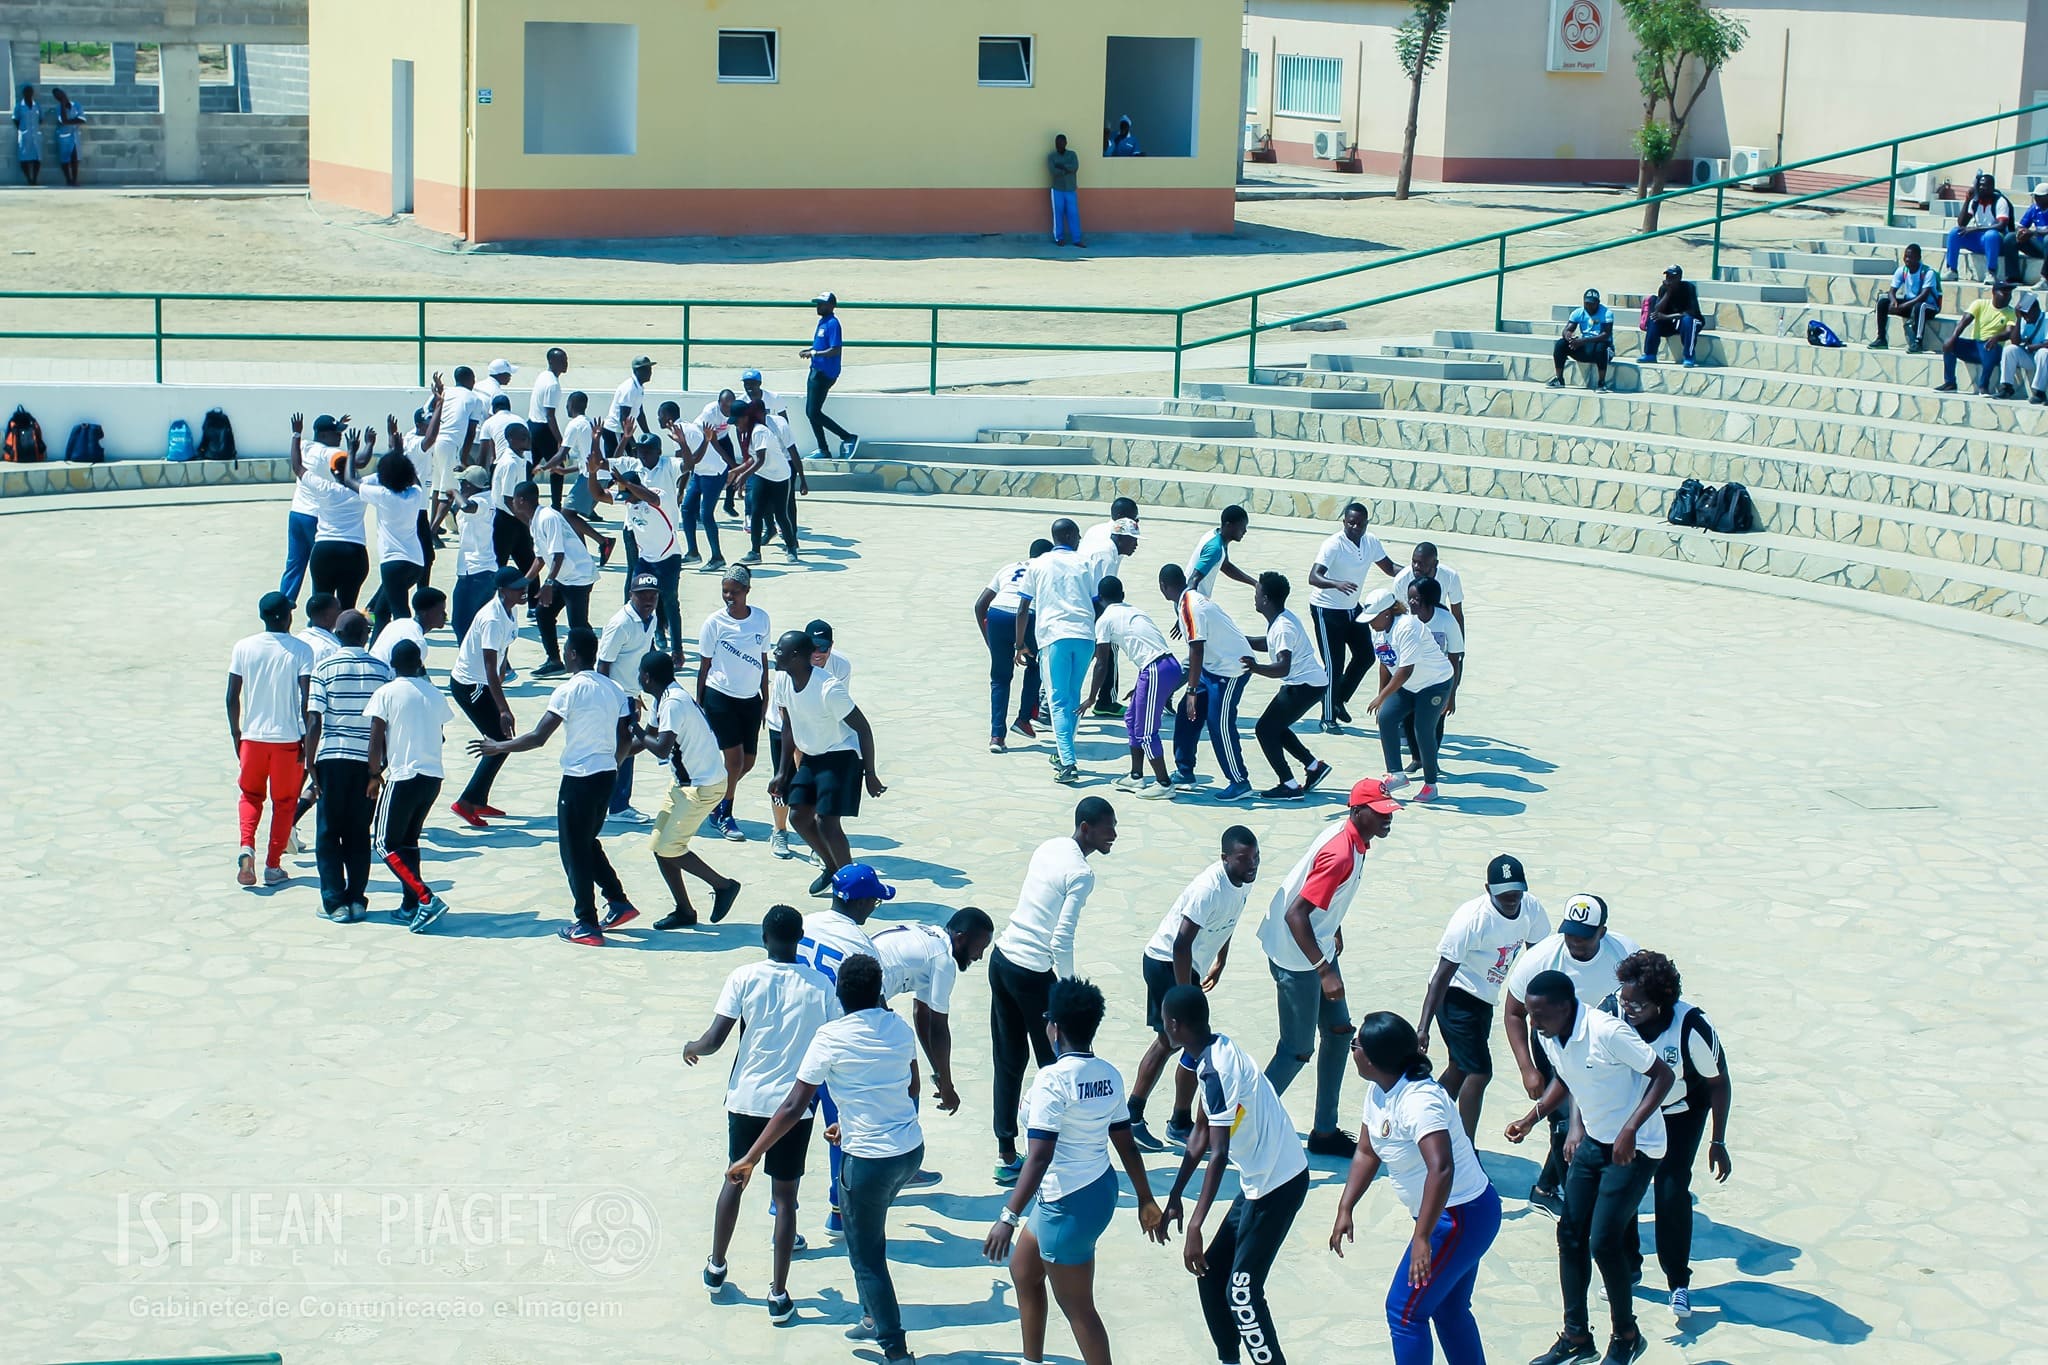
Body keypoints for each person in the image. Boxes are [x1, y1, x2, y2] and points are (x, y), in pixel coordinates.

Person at [730, 953, 922, 1364]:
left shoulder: (831, 1037)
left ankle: (895, 1348)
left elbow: (792, 1106)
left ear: (839, 994)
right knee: (869, 1235)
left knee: (867, 1253)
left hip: (870, 1161)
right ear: (880, 992)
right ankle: (871, 1315)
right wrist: (849, 1123)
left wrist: (750, 1156)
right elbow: (907, 1086)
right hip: (909, 1152)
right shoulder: (900, 1027)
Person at [983, 978, 1160, 1365]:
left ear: (1054, 1027)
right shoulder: (1109, 1074)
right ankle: (1033, 1362)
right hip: (1096, 1189)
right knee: (1024, 1271)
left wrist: (1007, 1217)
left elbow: (1040, 1156)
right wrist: (1145, 1198)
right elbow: (1125, 1142)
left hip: (1067, 1204)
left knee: (1080, 1310)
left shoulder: (1052, 1080)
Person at [1506, 971, 1673, 1365]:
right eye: (1529, 1013)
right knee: (1570, 1234)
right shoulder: (1550, 1034)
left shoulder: (1608, 1031)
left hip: (1637, 1148)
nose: (1532, 1022)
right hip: (1596, 1143)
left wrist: (1630, 1129)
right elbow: (1568, 1076)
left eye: (1538, 1014)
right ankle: (1577, 1337)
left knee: (1604, 1241)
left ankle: (1627, 1335)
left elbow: (1662, 1076)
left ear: (1565, 1007)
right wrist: (1533, 1117)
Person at [687, 904, 834, 1324]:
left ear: (764, 938)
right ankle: (779, 1294)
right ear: (800, 937)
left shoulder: (744, 976)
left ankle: (716, 1267)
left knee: (735, 1178)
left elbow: (714, 1041)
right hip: (796, 1108)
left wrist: (690, 1048)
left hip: (747, 1100)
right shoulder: (820, 984)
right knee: (785, 1199)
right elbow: (834, 1041)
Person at [1328, 1012, 1502, 1365]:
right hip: (1453, 1216)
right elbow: (1366, 1150)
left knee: (1404, 1313)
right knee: (1449, 1309)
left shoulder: (1419, 1101)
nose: (1352, 1050)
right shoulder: (1379, 1089)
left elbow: (1442, 1168)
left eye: (1355, 1045)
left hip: (1458, 1217)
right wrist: (1346, 1207)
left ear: (1375, 1059)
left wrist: (1422, 1237)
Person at [1153, 983, 1310, 1365]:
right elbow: (1199, 1138)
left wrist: (1195, 1226)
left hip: (1279, 1184)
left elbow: (1219, 1153)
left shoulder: (1216, 1073)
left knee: (1242, 1293)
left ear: (1174, 1025)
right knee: (1211, 1275)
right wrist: (1175, 1197)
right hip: (1260, 1183)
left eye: (1163, 1023)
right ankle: (1230, 1360)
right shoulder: (1211, 1052)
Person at [1257, 777, 1401, 1157]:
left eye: (1390, 812)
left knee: (1339, 1033)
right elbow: (1295, 914)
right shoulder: (1341, 853)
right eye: (1382, 813)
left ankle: (1324, 1131)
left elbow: (1318, 898)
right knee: (1296, 1050)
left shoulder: (1355, 839)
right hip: (1298, 957)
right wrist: (1324, 969)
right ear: (1357, 812)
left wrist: (1332, 927)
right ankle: (1244, 1125)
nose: (1389, 819)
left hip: (1315, 944)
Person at [470, 626, 639, 945]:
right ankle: (617, 901)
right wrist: (614, 764)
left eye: (565, 648)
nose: (563, 652)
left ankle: (586, 923)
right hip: (605, 776)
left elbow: (538, 737)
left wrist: (498, 747)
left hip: (579, 779)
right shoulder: (614, 689)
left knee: (573, 850)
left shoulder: (568, 690)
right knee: (587, 841)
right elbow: (626, 737)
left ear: (573, 653)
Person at [989, 798, 1117, 1185]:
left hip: (1002, 960)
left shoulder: (1050, 846)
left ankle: (1006, 1152)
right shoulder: (1081, 873)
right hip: (1033, 973)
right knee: (1057, 1067)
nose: (1113, 835)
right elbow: (1061, 937)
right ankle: (1054, 1151)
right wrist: (1067, 988)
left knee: (1008, 1061)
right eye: (1107, 827)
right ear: (1085, 828)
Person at [1502, 894, 1641, 1219]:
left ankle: (1544, 1188)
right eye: (1570, 932)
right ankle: (1570, 1206)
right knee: (1566, 1124)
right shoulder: (1541, 959)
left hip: (1600, 1044)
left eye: (1585, 934)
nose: (1575, 941)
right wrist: (1527, 1068)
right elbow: (1513, 1013)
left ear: (1602, 932)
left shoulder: (1624, 953)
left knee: (1595, 1119)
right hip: (1552, 1043)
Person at [1610, 950, 1731, 1323]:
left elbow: (1718, 1083)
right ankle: (1628, 1266)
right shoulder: (1610, 1013)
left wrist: (1718, 1141)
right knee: (1625, 1186)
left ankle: (1678, 1282)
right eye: (1624, 999)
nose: (1628, 1008)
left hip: (1682, 1112)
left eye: (1638, 1004)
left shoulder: (1691, 1027)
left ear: (1663, 1002)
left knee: (1671, 1190)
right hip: (1630, 1110)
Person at [1127, 827, 1258, 1150]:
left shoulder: (1244, 880)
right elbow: (1181, 944)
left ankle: (1179, 1122)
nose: (1252, 864)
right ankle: (1134, 1117)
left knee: (1189, 1044)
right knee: (1169, 1042)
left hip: (1190, 966)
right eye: (1244, 859)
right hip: (1165, 963)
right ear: (1225, 858)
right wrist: (1184, 996)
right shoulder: (1208, 889)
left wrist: (1220, 960)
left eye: (1256, 857)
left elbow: (1230, 921)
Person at [791, 863, 898, 1235]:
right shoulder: (860, 944)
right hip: (836, 1047)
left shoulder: (806, 921)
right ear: (863, 901)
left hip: (794, 1041)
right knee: (844, 1130)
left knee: (791, 1127)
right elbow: (875, 1002)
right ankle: (838, 1212)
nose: (874, 908)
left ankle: (781, 1209)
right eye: (874, 901)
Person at [1415, 854, 1550, 1139]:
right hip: (1454, 994)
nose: (1512, 899)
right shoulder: (1471, 919)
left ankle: (1421, 1119)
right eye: (1504, 894)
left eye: (1516, 892)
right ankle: (1465, 1149)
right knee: (1479, 1072)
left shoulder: (1532, 909)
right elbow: (1441, 975)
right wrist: (1423, 1028)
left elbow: (1539, 959)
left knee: (1460, 1068)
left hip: (1484, 998)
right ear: (1488, 890)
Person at [629, 652, 744, 930]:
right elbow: (646, 740)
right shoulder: (663, 697)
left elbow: (660, 747)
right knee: (660, 847)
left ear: (646, 677)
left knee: (670, 848)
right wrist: (614, 758)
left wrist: (632, 725)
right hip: (684, 784)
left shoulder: (674, 703)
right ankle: (684, 910)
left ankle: (724, 886)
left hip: (702, 787)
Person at [767, 629, 886, 897]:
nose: (774, 654)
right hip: (812, 755)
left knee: (826, 822)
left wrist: (870, 773)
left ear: (796, 656)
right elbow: (788, 727)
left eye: (779, 651)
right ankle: (833, 868)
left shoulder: (828, 688)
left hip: (841, 754)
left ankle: (854, 887)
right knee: (798, 815)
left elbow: (863, 729)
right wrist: (782, 773)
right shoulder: (783, 680)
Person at [305, 611, 394, 924]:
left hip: (331, 758)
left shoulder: (323, 668)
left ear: (337, 633)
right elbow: (387, 722)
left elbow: (314, 719)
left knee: (328, 833)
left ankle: (334, 902)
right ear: (365, 635)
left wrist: (309, 763)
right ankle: (357, 899)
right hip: (366, 763)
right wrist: (380, 767)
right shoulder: (383, 670)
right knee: (358, 833)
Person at [870, 907, 996, 1117]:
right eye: (979, 947)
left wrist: (939, 1073)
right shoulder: (943, 960)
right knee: (908, 1082)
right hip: (868, 992)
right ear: (961, 939)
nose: (980, 956)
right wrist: (947, 1087)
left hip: (859, 983)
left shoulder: (931, 939)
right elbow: (938, 1028)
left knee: (902, 1063)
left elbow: (921, 1013)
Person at [363, 638, 452, 931]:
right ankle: (410, 904)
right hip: (432, 776)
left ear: (392, 664)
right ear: (420, 663)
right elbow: (439, 736)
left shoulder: (385, 693)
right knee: (408, 842)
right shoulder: (434, 694)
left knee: (384, 843)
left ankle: (425, 897)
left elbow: (376, 738)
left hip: (404, 775)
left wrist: (374, 775)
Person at [227, 592, 314, 888]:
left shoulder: (244, 647)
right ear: (287, 616)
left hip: (252, 738)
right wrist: (307, 737)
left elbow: (231, 697)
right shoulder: (302, 651)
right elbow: (306, 699)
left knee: (250, 796)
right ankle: (273, 865)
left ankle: (246, 847)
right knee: (285, 802)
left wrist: (237, 734)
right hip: (288, 740)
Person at [1014, 519, 1102, 785]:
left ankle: (1068, 763)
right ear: (1066, 534)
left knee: (1058, 702)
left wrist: (1019, 644)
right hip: (1084, 637)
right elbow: (1098, 603)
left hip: (1055, 637)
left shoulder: (1038, 564)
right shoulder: (1085, 563)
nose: (1079, 539)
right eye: (1077, 534)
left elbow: (1023, 608)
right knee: (1072, 698)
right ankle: (1065, 752)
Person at [1163, 561, 1256, 801]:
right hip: (1211, 668)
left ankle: (1239, 781)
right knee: (1186, 715)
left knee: (1219, 724)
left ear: (1163, 587)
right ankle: (1184, 772)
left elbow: (1196, 650)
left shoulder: (1189, 607)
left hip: (1231, 670)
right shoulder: (1187, 600)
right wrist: (1191, 694)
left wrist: (1192, 690)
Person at [765, 618, 852, 860]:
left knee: (815, 789)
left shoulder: (841, 667)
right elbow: (788, 720)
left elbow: (834, 711)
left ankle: (817, 840)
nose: (818, 653)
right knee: (784, 783)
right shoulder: (786, 670)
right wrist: (797, 761)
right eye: (812, 647)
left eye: (823, 648)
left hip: (817, 728)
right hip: (784, 725)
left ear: (831, 646)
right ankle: (779, 831)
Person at [447, 566, 527, 828]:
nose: (524, 590)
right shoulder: (492, 619)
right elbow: (489, 667)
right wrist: (503, 708)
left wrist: (500, 689)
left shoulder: (509, 611)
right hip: (471, 685)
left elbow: (502, 657)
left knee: (500, 742)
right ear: (503, 591)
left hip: (484, 684)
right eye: (518, 587)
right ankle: (467, 801)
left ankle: (478, 799)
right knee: (500, 742)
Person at [1308, 502, 1399, 732]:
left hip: (1351, 608)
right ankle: (1327, 718)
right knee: (1334, 664)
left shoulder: (1370, 542)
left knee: (1366, 655)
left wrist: (1414, 572)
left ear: (1366, 523)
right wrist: (1335, 584)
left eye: (1360, 523)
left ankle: (1338, 699)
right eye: (1351, 522)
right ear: (1344, 522)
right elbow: (1314, 576)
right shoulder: (1333, 545)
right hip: (1326, 609)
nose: (1355, 527)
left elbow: (1389, 568)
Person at [698, 565, 772, 842]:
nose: (729, 597)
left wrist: (765, 697)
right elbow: (704, 665)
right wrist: (700, 701)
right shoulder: (714, 623)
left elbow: (764, 660)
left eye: (735, 592)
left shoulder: (761, 620)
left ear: (747, 591)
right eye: (725, 591)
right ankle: (725, 814)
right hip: (720, 696)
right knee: (735, 760)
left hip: (750, 699)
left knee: (748, 763)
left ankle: (714, 798)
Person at [1246, 571, 1333, 800]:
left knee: (1264, 729)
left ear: (1265, 599)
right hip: (1308, 683)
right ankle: (1314, 767)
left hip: (1304, 686)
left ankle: (1289, 785)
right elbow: (1270, 643)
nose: (1254, 597)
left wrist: (1255, 667)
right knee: (1276, 726)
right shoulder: (1280, 619)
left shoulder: (1283, 626)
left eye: (1257, 593)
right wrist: (1242, 640)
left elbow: (1283, 667)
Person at [1093, 574, 1182, 797]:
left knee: (1145, 731)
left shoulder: (1104, 620)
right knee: (1132, 718)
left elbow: (1102, 663)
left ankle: (1163, 784)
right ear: (1122, 596)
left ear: (1100, 599)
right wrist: (1141, 685)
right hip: (1167, 666)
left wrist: (1091, 697)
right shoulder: (1136, 611)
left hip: (1155, 670)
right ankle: (1136, 776)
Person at [1361, 589, 1454, 802]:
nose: (1369, 623)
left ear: (1386, 613)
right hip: (1407, 686)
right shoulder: (1378, 630)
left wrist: (1382, 697)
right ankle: (1397, 774)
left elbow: (1405, 670)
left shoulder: (1407, 626)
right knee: (1386, 717)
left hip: (1434, 684)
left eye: (1372, 618)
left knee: (1422, 729)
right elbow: (1385, 662)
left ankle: (1431, 785)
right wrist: (1381, 696)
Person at [975, 538, 1051, 752]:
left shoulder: (1009, 567)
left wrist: (991, 642)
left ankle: (997, 736)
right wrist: (1022, 643)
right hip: (1027, 617)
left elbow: (980, 605)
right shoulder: (1047, 569)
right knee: (1036, 665)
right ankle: (1024, 719)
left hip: (997, 614)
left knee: (999, 678)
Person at [598, 573, 661, 823]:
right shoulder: (620, 624)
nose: (648, 600)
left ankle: (617, 803)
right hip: (615, 696)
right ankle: (616, 805)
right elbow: (603, 665)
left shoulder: (651, 618)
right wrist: (609, 702)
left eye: (653, 595)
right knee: (620, 748)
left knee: (625, 748)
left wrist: (640, 693)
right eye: (642, 595)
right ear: (630, 595)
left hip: (630, 695)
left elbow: (646, 651)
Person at [520, 480, 598, 677]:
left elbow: (558, 554)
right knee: (543, 613)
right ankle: (554, 660)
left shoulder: (548, 517)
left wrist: (548, 583)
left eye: (513, 500)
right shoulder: (534, 521)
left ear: (521, 501)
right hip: (563, 576)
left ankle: (589, 665)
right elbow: (541, 558)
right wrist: (523, 583)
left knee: (578, 625)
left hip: (578, 576)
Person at [298, 419, 377, 609]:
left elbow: (297, 467)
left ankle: (317, 633)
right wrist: (369, 444)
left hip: (325, 551)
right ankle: (350, 631)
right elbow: (384, 465)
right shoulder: (364, 488)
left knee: (321, 605)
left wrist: (296, 435)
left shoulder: (324, 487)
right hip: (354, 553)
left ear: (332, 472)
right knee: (347, 607)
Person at [359, 451, 430, 640]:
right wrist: (399, 452)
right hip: (416, 563)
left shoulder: (383, 495)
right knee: (381, 611)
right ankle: (375, 651)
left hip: (393, 564)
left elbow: (350, 481)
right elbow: (415, 480)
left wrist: (351, 453)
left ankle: (414, 660)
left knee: (401, 616)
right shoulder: (415, 494)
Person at [1079, 505, 1141, 717]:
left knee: (1100, 653)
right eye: (1134, 539)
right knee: (1094, 654)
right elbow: (1100, 594)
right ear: (1121, 537)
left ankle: (1105, 699)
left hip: (1090, 604)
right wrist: (1102, 624)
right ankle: (1103, 701)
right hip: (1091, 608)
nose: (1137, 545)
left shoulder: (1101, 536)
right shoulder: (1107, 554)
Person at [1400, 577, 1464, 777]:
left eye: (1415, 599)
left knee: (1434, 722)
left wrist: (1451, 694)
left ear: (1429, 599)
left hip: (1438, 682)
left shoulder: (1447, 621)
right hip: (1411, 680)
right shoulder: (1405, 622)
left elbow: (1455, 659)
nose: (1411, 603)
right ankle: (1417, 758)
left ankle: (1431, 760)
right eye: (1409, 598)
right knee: (1409, 720)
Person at [730, 397, 804, 563]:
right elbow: (752, 459)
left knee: (781, 514)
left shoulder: (759, 431)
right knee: (756, 513)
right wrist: (736, 471)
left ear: (745, 417)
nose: (736, 425)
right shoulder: (745, 433)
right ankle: (755, 552)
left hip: (780, 476)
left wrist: (744, 476)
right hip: (763, 475)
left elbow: (761, 459)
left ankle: (791, 547)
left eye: (737, 421)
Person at [426, 366, 484, 537]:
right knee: (450, 491)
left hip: (435, 441)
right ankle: (432, 532)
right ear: (469, 380)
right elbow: (471, 431)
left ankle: (432, 527)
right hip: (452, 444)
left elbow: (429, 410)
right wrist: (464, 458)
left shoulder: (446, 392)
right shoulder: (474, 399)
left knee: (437, 487)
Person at [800, 292, 860, 459]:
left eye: (822, 304)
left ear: (832, 305)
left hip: (824, 373)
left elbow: (835, 349)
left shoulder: (833, 324)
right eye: (818, 303)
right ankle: (823, 449)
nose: (819, 306)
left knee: (813, 412)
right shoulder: (823, 322)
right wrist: (811, 352)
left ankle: (847, 437)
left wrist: (814, 353)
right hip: (816, 371)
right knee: (812, 412)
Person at [1937, 278, 2017, 395]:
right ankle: (1950, 382)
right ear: (1994, 292)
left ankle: (1983, 386)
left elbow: (2009, 332)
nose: (2007, 296)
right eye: (2004, 293)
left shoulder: (2011, 312)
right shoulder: (1980, 304)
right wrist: (1953, 338)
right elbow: (1965, 321)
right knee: (1948, 343)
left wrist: (1996, 337)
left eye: (2009, 293)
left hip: (1992, 348)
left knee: (1991, 348)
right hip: (1975, 346)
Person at [448, 467, 499, 642]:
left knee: (461, 623)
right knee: (480, 625)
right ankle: (500, 666)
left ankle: (470, 663)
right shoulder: (488, 497)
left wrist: (455, 493)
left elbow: (468, 507)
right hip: (483, 571)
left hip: (475, 573)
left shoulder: (481, 501)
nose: (460, 486)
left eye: (462, 483)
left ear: (469, 485)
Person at [1944, 171, 2015, 283]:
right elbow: (1962, 223)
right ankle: (1952, 270)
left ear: (1992, 187)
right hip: (1980, 240)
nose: (1981, 188)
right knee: (1955, 232)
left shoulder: (2000, 201)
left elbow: (2001, 225)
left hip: (1997, 241)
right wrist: (1967, 200)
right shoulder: (1975, 202)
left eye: (1984, 186)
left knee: (1990, 235)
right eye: (1980, 185)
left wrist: (1976, 229)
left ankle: (1991, 272)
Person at [1873, 243, 1942, 353]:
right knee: (1883, 302)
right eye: (1906, 256)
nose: (1907, 259)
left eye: (1911, 257)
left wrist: (1902, 306)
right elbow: (1892, 291)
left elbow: (1923, 296)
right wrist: (1894, 301)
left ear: (1918, 258)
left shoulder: (1928, 273)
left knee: (1920, 306)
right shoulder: (1902, 270)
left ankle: (1918, 342)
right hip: (1911, 303)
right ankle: (1881, 338)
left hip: (1929, 306)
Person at [1393, 542, 1466, 634]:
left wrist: (1460, 644)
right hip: (1412, 627)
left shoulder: (1450, 576)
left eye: (1421, 563)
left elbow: (1457, 613)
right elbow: (1400, 614)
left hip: (1441, 625)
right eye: (1414, 561)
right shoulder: (1401, 580)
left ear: (1435, 563)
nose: (1416, 566)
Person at [1638, 264, 1703, 367]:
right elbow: (1657, 310)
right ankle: (1650, 354)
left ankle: (1689, 357)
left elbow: (1691, 312)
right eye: (1667, 276)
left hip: (1688, 321)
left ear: (1679, 278)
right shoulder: (1664, 289)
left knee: (1688, 321)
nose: (1669, 279)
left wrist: (1666, 317)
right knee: (1654, 318)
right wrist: (1668, 292)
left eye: (1672, 277)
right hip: (1671, 322)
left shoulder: (1688, 288)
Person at [526, 347, 568, 505]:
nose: (565, 363)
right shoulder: (553, 385)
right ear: (552, 361)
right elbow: (549, 415)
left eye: (566, 359)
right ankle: (556, 505)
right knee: (558, 466)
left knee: (531, 466)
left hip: (532, 426)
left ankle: (519, 494)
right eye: (562, 360)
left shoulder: (543, 376)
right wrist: (560, 440)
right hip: (543, 429)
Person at [1186, 504, 1257, 598]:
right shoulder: (1215, 548)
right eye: (1241, 527)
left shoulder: (1217, 536)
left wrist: (1255, 583)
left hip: (1192, 601)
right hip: (1190, 603)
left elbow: (1226, 566)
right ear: (1228, 525)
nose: (1245, 531)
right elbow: (1193, 580)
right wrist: (1190, 606)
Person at [1551, 289, 1615, 390]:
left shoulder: (1606, 313)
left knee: (1601, 346)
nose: (1589, 306)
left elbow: (1605, 335)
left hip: (1604, 350)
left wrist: (1582, 341)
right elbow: (1567, 330)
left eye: (1592, 304)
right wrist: (1568, 337)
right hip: (1586, 348)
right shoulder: (1578, 313)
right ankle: (1559, 379)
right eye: (1587, 303)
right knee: (1561, 344)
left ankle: (1601, 383)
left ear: (1598, 302)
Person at [370, 586, 447, 667]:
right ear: (425, 613)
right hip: (383, 678)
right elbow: (406, 677)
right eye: (441, 611)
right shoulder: (417, 642)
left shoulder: (398, 623)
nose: (445, 615)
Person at [604, 355, 654, 459]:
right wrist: (632, 444)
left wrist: (648, 434)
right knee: (616, 463)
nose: (650, 372)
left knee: (630, 461)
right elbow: (623, 418)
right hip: (616, 431)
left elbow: (639, 413)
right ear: (637, 370)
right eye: (647, 369)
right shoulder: (629, 388)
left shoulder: (638, 387)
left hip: (623, 432)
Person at [1047, 133, 1085, 248]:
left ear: (1066, 143)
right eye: (1057, 143)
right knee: (1057, 215)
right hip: (1057, 190)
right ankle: (1059, 238)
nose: (1059, 144)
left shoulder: (1072, 155)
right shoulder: (1051, 156)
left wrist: (1061, 167)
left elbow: (1075, 167)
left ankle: (1077, 239)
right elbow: (1053, 171)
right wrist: (1066, 169)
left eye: (1061, 142)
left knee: (1073, 214)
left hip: (1070, 189)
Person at [2014, 184, 2048, 283]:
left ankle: (2045, 278)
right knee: (2011, 238)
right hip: (2039, 246)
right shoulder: (2034, 208)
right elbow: (2021, 225)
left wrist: (2033, 233)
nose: (2036, 199)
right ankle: (2013, 277)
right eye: (2035, 196)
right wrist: (2021, 232)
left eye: (2039, 197)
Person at [52, 88, 85, 187]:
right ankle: (68, 179)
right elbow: (63, 121)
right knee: (65, 159)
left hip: (74, 136)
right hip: (63, 136)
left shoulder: (76, 105)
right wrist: (62, 105)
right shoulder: (58, 108)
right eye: (58, 96)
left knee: (75, 158)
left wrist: (69, 121)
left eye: (61, 94)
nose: (61, 97)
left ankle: (75, 179)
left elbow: (82, 119)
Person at [13, 85, 39, 185]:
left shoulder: (37, 105)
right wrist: (22, 129)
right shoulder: (19, 106)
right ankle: (28, 178)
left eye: (30, 91)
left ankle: (35, 179)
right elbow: (15, 119)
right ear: (23, 93)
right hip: (24, 134)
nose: (29, 93)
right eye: (27, 92)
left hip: (35, 134)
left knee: (37, 157)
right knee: (24, 157)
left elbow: (40, 118)